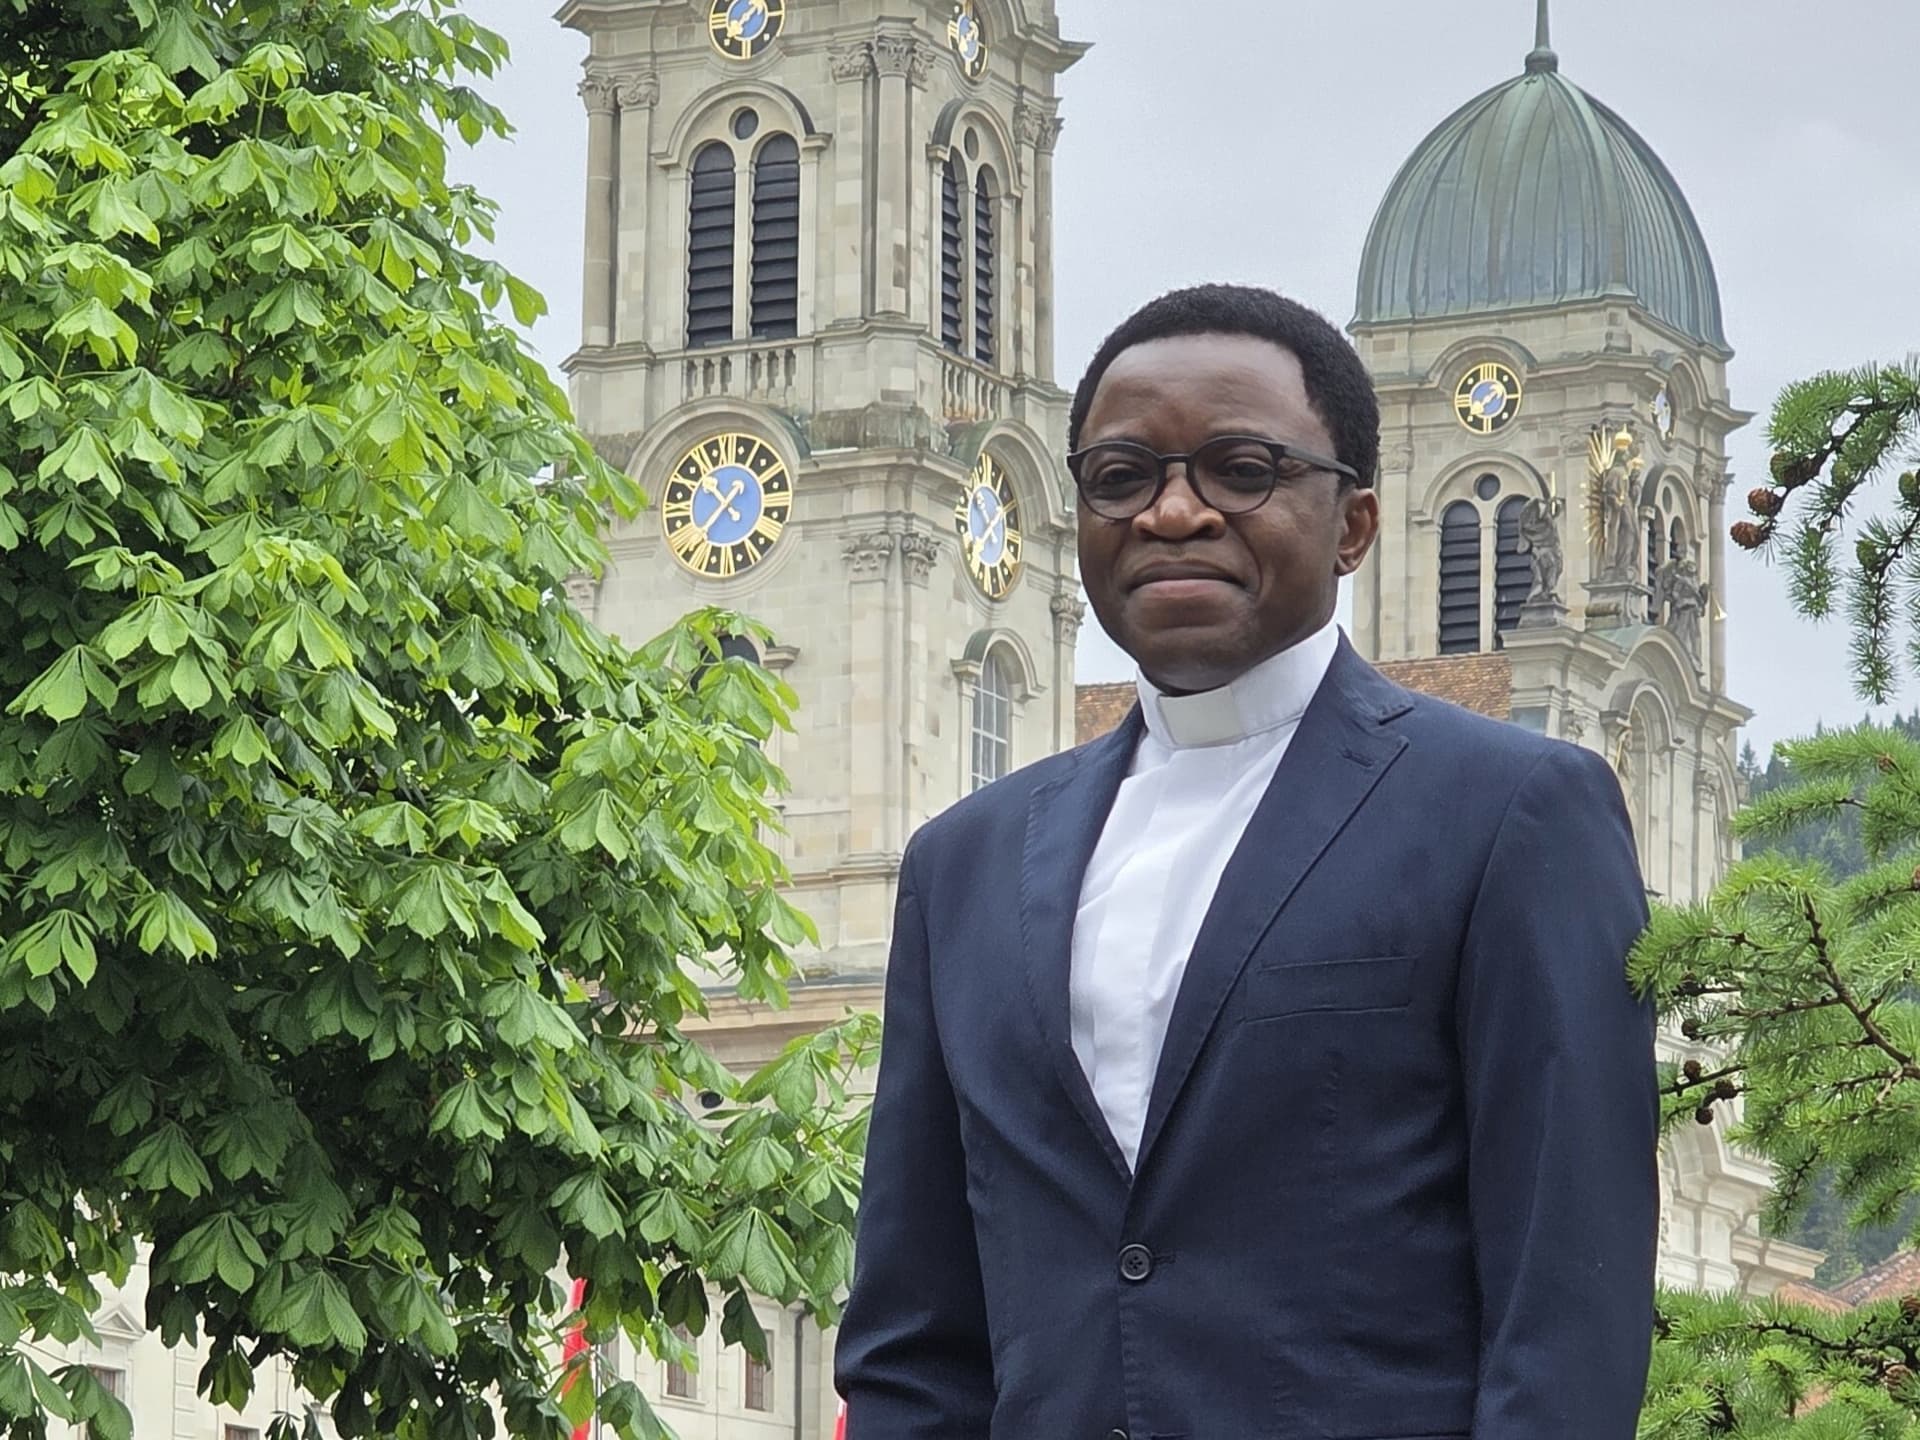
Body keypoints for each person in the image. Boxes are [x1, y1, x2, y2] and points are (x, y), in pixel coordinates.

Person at [834, 284, 1657, 1439]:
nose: (1174, 512)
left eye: (1240, 470)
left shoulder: (1511, 814)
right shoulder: (963, 864)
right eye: (1123, 477)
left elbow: (1565, 1316)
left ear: (1355, 524)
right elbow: (916, 1341)